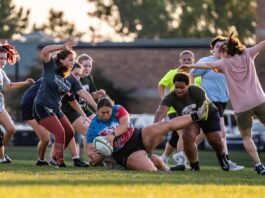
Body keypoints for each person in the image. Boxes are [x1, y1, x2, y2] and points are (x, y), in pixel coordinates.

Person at [179, 32, 265, 175]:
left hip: (242, 107)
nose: (220, 53)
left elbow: (207, 65)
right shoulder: (248, 54)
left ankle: (259, 166)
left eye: (221, 50)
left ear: (226, 51)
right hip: (260, 100)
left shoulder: (223, 63)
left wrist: (189, 65)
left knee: (246, 137)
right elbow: (262, 45)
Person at [86, 96, 208, 171]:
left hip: (138, 136)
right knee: (150, 169)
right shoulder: (93, 128)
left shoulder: (118, 109)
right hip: (124, 153)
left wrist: (112, 135)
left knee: (163, 125)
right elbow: (92, 157)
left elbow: (125, 125)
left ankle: (197, 115)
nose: (106, 115)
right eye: (102, 113)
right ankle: (163, 167)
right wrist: (99, 154)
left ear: (112, 109)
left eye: (108, 112)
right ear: (96, 112)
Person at [33, 40, 97, 167]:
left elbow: (84, 94)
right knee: (60, 132)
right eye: (70, 59)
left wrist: (97, 107)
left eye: (73, 60)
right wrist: (62, 46)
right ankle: (59, 161)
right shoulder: (51, 67)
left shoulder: (72, 79)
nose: (72, 62)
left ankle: (54, 158)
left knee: (70, 132)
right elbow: (45, 50)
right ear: (61, 60)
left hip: (56, 108)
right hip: (42, 106)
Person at [154, 72, 229, 171]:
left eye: (182, 87)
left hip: (208, 115)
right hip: (191, 118)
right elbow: (160, 112)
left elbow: (202, 113)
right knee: (187, 137)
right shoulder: (171, 96)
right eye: (176, 87)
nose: (178, 90)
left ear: (188, 85)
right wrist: (155, 127)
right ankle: (194, 165)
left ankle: (222, 157)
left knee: (215, 140)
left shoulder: (197, 91)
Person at [191, 36, 244, 171]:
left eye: (222, 46)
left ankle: (184, 153)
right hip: (210, 101)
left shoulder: (228, 62)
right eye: (217, 46)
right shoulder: (206, 61)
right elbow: (192, 74)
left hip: (223, 101)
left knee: (206, 134)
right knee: (221, 133)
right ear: (212, 49)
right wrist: (192, 93)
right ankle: (226, 162)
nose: (219, 48)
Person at [21, 76, 89, 167]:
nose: (77, 78)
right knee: (46, 138)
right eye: (76, 74)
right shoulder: (54, 76)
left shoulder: (68, 82)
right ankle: (43, 160)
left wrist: (84, 115)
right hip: (30, 105)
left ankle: (55, 158)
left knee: (68, 132)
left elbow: (71, 99)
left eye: (79, 75)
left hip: (49, 106)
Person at [158, 50, 195, 169]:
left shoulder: (195, 74)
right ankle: (181, 161)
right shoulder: (173, 73)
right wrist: (164, 100)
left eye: (189, 59)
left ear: (193, 60)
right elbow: (161, 85)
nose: (187, 61)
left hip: (189, 110)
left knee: (176, 136)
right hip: (174, 110)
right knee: (182, 133)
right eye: (184, 59)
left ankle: (163, 158)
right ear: (180, 61)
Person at [0, 41, 34, 164]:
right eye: (0, 58)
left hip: (0, 106)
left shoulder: (1, 72)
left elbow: (8, 86)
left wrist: (24, 83)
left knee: (11, 129)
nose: (3, 61)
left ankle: (1, 153)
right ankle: (1, 158)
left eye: (4, 58)